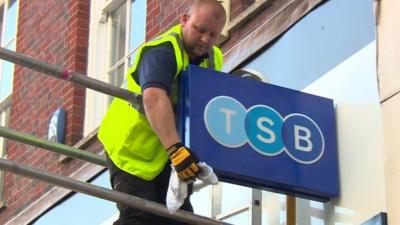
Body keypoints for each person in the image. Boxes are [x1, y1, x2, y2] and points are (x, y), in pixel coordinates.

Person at [98, 0, 227, 224]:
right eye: (200, 30)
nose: (205, 39)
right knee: (138, 213)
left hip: (165, 151)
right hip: (131, 148)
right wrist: (177, 151)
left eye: (213, 34)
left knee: (180, 217)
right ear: (184, 20)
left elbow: (210, 105)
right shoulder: (164, 50)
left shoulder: (213, 58)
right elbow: (154, 97)